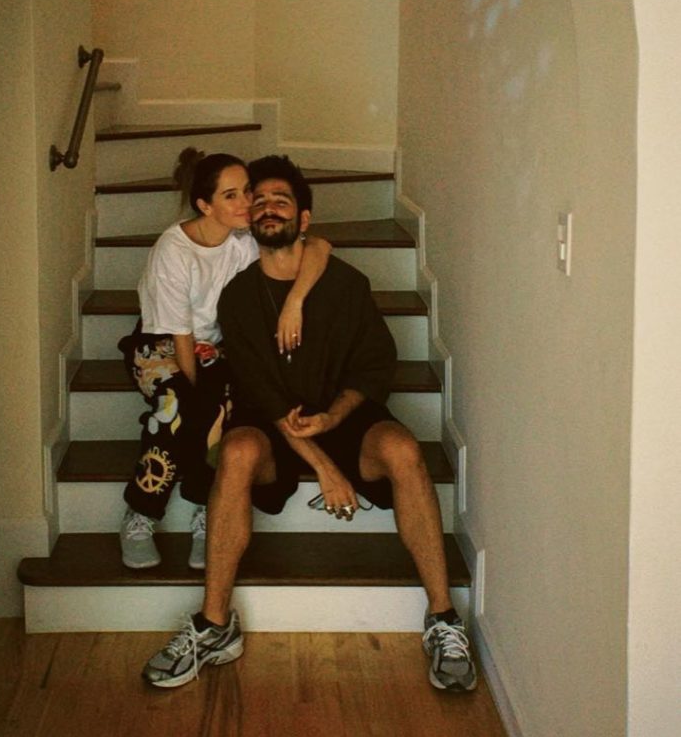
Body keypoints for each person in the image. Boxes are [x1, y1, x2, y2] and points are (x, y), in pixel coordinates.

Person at [141, 155, 477, 693]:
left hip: (343, 414)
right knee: (236, 452)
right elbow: (259, 391)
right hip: (271, 423)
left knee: (402, 448)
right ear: (250, 220)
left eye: (282, 200)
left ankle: (442, 617)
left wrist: (334, 415)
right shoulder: (238, 297)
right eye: (259, 200)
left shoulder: (345, 284)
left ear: (303, 220)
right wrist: (323, 467)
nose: (268, 207)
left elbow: (375, 364)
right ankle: (214, 625)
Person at [117, 148, 331, 571]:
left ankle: (207, 510)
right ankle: (140, 513)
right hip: (160, 345)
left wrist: (295, 303)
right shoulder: (173, 249)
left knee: (226, 413)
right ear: (205, 205)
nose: (247, 203)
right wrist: (196, 394)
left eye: (247, 191)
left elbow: (319, 247)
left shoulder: (243, 239)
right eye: (231, 195)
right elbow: (180, 336)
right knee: (181, 407)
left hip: (215, 348)